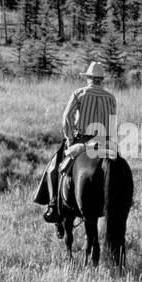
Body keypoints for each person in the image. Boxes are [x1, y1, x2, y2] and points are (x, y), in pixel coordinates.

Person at [33, 60, 116, 224]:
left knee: (53, 168)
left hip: (82, 140)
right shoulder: (111, 98)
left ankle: (53, 205)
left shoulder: (79, 93)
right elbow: (113, 123)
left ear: (89, 78)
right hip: (105, 142)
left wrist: (70, 139)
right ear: (101, 79)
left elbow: (66, 118)